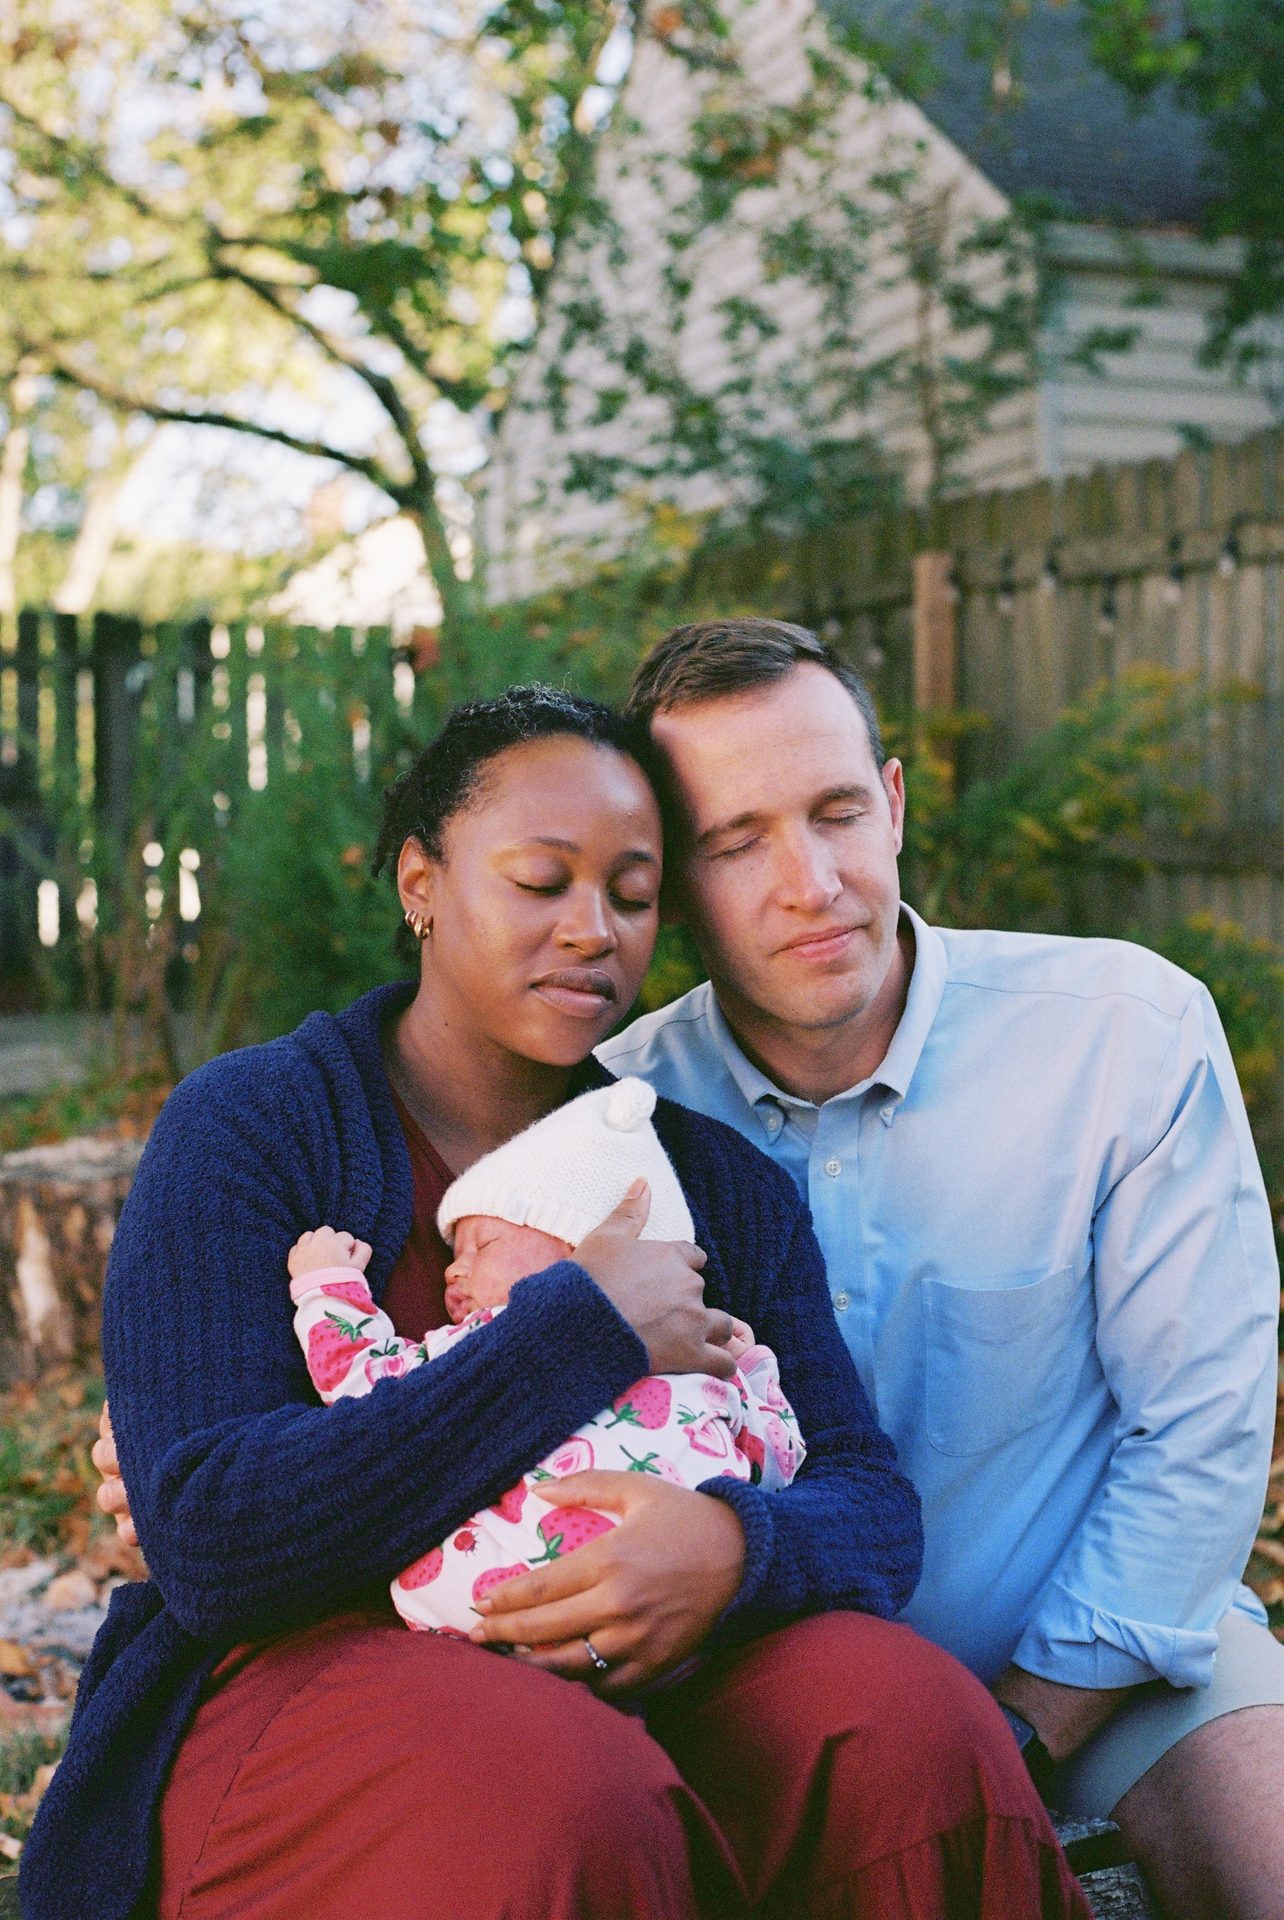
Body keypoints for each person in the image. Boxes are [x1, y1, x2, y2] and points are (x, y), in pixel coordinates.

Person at [41, 684, 1091, 1920]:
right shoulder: (255, 1127)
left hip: (663, 1667)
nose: (594, 931)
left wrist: (737, 1549)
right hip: (309, 1677)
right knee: (555, 1786)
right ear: (421, 881)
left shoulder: (708, 1179)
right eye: (543, 883)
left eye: (633, 895)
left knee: (909, 1733)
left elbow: (865, 1495)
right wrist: (585, 1333)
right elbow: (209, 1537)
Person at [589, 617, 1284, 1920]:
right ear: (670, 880)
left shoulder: (1126, 1037)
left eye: (837, 811)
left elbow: (1201, 1427)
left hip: (1118, 1673)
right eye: (737, 843)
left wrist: (1019, 1728)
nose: (812, 881)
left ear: (895, 804)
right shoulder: (612, 1122)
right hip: (773, 1705)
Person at [287, 1075, 805, 1636]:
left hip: (661, 1592)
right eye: (452, 1257)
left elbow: (777, 1463)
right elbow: (372, 1393)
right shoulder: (486, 1344)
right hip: (519, 1593)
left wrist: (751, 1373)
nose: (452, 1271)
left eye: (483, 1245)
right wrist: (329, 1283)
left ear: (585, 1251)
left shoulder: (699, 1362)